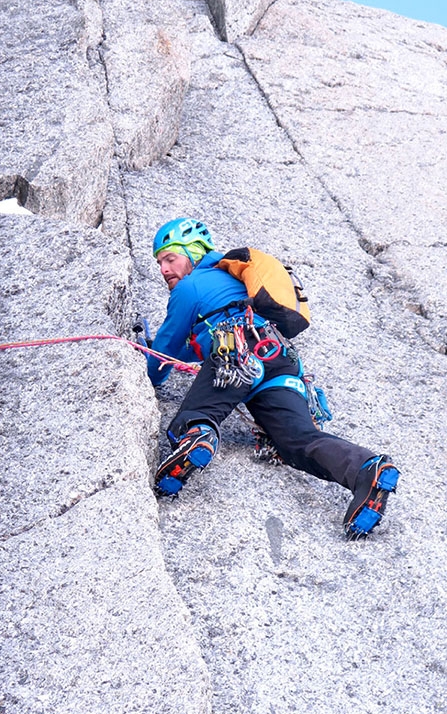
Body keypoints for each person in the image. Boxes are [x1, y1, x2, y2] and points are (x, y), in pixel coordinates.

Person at [147, 217, 399, 538]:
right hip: (280, 360)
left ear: (195, 253)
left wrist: (145, 361)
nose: (164, 269)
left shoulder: (190, 287)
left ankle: (197, 438)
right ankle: (367, 470)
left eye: (170, 258)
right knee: (297, 441)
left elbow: (163, 355)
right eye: (159, 263)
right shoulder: (231, 284)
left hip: (238, 349)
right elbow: (198, 345)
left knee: (197, 415)